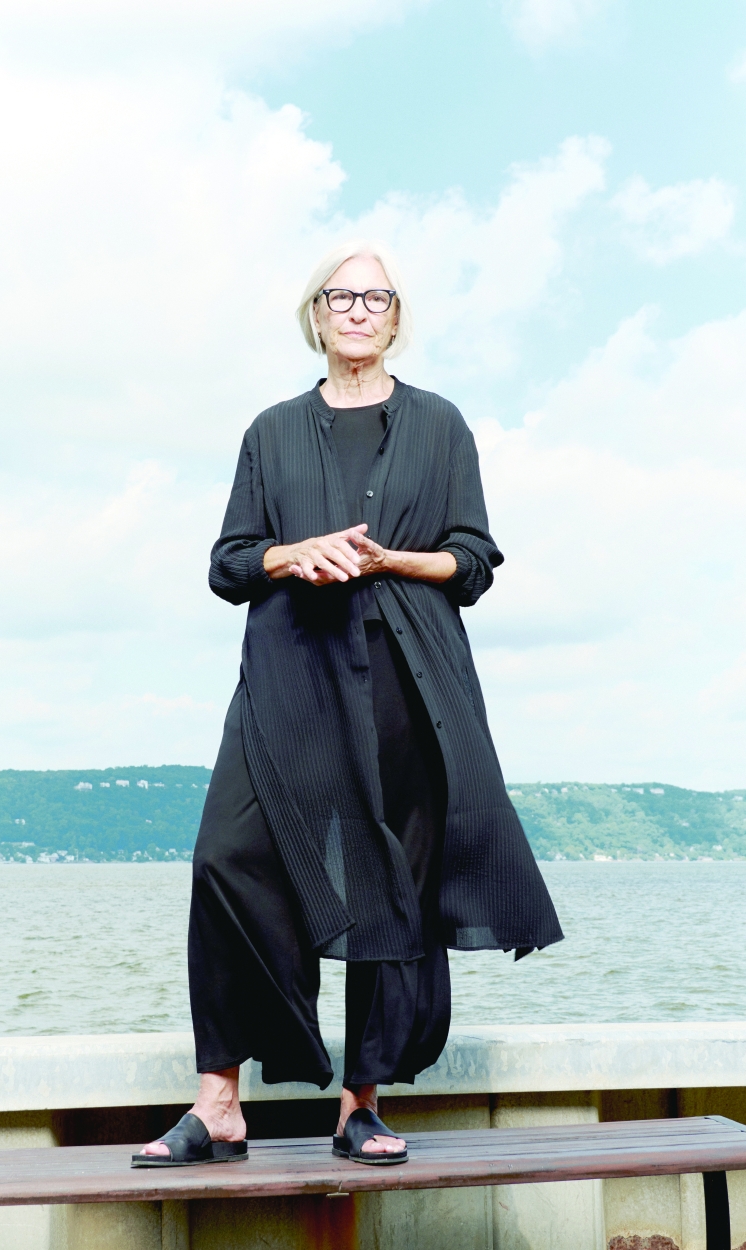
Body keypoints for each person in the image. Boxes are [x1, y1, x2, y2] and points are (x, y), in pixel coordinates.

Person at [132, 240, 562, 1170]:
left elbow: (475, 562)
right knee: (226, 859)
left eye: (377, 297)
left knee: (393, 879)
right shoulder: (271, 431)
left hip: (410, 676)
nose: (359, 309)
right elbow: (229, 564)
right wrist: (295, 553)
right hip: (289, 674)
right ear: (316, 316)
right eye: (341, 295)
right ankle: (219, 1103)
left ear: (396, 318)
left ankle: (358, 1105)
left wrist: (388, 560)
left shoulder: (442, 426)